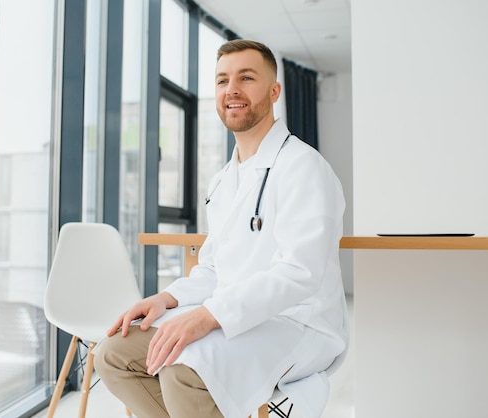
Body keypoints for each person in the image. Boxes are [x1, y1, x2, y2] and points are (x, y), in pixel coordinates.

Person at [93, 39, 348, 418]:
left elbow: (300, 272)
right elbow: (214, 269)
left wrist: (209, 316)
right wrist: (167, 299)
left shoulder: (303, 167)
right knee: (112, 353)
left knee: (186, 366)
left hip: (299, 322)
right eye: (222, 80)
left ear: (274, 91)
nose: (232, 90)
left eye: (247, 78)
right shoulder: (223, 181)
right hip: (233, 310)